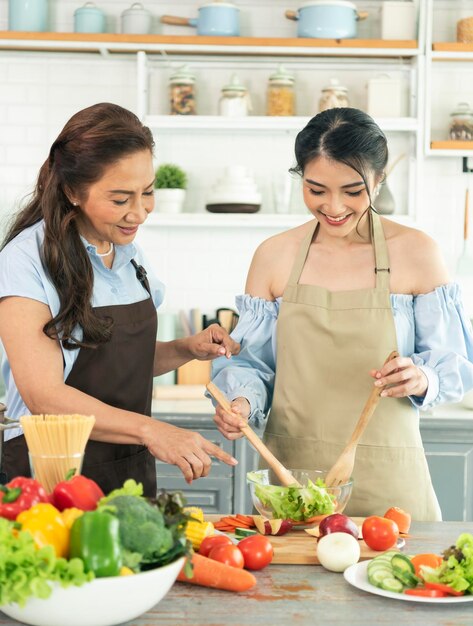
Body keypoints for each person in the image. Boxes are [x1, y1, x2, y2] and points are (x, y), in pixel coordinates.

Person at [210, 107, 473, 521]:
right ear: (300, 178)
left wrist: (423, 377)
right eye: (316, 190)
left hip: (390, 481)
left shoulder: (417, 253)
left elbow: (455, 363)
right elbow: (253, 364)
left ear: (380, 178)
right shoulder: (274, 256)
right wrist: (240, 401)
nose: (334, 207)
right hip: (291, 478)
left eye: (353, 191)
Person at [0, 102, 240, 496]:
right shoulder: (25, 260)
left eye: (147, 192)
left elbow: (119, 361)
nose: (139, 212)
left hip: (126, 467)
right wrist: (152, 430)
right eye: (120, 199)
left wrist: (185, 349)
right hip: (50, 473)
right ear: (73, 191)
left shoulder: (130, 256)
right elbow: (43, 394)